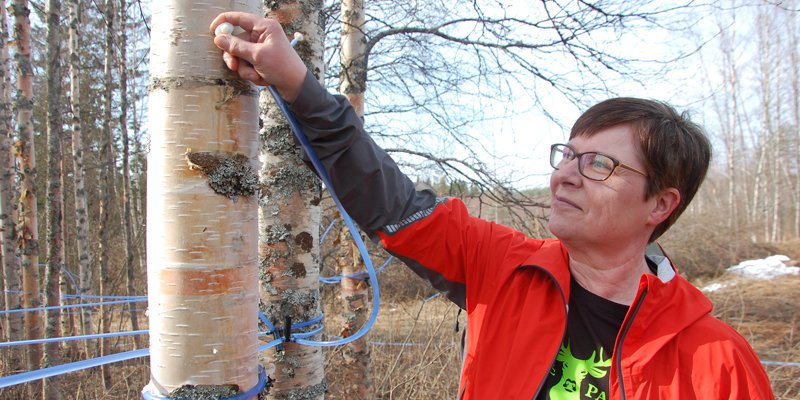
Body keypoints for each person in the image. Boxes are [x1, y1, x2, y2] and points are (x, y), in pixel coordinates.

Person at [210, 12, 775, 400]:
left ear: (661, 204)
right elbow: (392, 201)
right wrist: (297, 84)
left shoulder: (717, 363)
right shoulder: (500, 268)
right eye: (567, 154)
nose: (564, 177)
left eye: (599, 165)